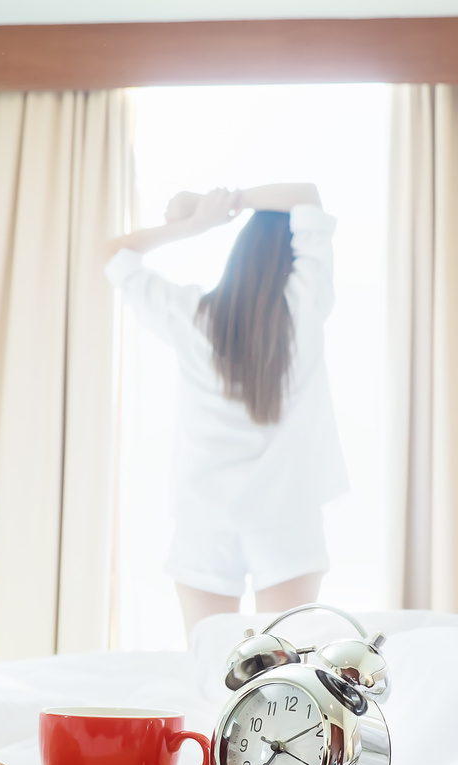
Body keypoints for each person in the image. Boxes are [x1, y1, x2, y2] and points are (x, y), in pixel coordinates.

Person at [105, 184, 348, 638]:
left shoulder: (191, 316)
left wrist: (196, 222)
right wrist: (240, 200)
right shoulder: (304, 305)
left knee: (210, 671)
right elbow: (308, 197)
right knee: (285, 675)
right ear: (290, 258)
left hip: (205, 519)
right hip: (288, 515)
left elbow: (113, 255)